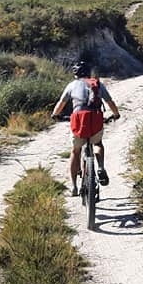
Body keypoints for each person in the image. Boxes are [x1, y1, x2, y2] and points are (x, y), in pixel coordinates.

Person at [51, 59, 120, 196]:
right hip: (95, 119)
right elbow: (110, 101)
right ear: (89, 73)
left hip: (78, 120)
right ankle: (100, 167)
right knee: (98, 143)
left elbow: (61, 103)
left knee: (75, 151)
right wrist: (116, 114)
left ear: (75, 74)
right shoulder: (97, 84)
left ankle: (74, 187)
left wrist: (55, 115)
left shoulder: (71, 85)